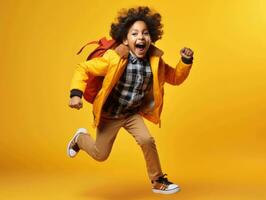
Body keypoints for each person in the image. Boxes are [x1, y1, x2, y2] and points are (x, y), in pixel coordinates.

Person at [67, 6, 194, 195]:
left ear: (151, 37)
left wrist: (185, 61)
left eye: (145, 33)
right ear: (126, 40)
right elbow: (83, 68)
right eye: (134, 34)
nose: (140, 37)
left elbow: (175, 78)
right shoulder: (113, 58)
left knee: (147, 140)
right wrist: (76, 94)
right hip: (110, 114)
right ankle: (80, 138)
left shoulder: (155, 62)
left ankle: (158, 180)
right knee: (100, 155)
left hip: (131, 113)